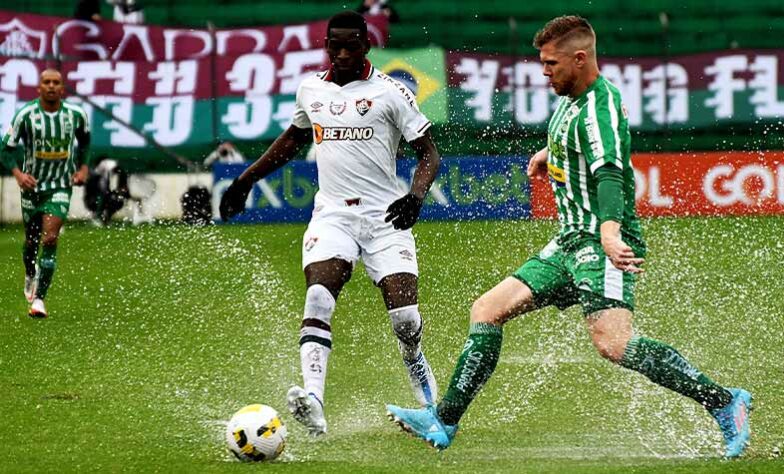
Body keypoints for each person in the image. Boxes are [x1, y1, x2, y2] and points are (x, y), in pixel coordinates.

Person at [386, 16, 753, 459]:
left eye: (550, 63)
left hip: (600, 245)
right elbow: (575, 140)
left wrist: (611, 233)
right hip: (568, 242)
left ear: (579, 60)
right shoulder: (570, 98)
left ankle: (725, 401)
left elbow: (612, 174)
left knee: (614, 344)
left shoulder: (599, 107)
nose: (544, 72)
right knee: (487, 310)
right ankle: (444, 419)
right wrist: (549, 154)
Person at [219, 11, 442, 436]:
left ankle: (430, 404)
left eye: (350, 45)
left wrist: (415, 197)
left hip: (385, 218)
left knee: (406, 321)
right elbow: (293, 137)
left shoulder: (392, 92)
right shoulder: (311, 89)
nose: (341, 53)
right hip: (332, 214)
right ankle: (315, 401)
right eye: (333, 45)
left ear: (366, 45)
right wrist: (245, 180)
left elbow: (429, 154)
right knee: (319, 296)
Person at [0, 68, 90, 318]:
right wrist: (19, 175)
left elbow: (85, 141)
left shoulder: (76, 115)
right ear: (39, 88)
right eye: (46, 82)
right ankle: (30, 272)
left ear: (62, 89)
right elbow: (5, 149)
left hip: (60, 185)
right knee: (31, 241)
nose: (51, 86)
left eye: (56, 83)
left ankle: (39, 300)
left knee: (50, 239)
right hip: (32, 187)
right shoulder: (26, 115)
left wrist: (82, 168)